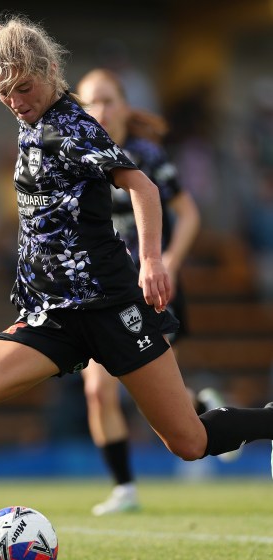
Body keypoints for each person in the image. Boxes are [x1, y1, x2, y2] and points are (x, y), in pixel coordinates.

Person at [0, 14, 272, 560]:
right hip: (51, 317)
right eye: (4, 92)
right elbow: (29, 64)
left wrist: (152, 260)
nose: (16, 102)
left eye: (23, 88)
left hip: (110, 309)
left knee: (190, 442)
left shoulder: (72, 128)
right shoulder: (40, 102)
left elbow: (144, 188)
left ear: (50, 74)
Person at [74, 68, 238, 516]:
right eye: (90, 101)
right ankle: (125, 489)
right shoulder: (77, 151)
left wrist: (168, 262)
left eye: (108, 99)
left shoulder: (145, 154)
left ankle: (213, 415)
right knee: (97, 391)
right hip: (101, 292)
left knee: (153, 393)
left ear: (125, 106)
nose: (100, 110)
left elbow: (189, 214)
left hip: (150, 287)